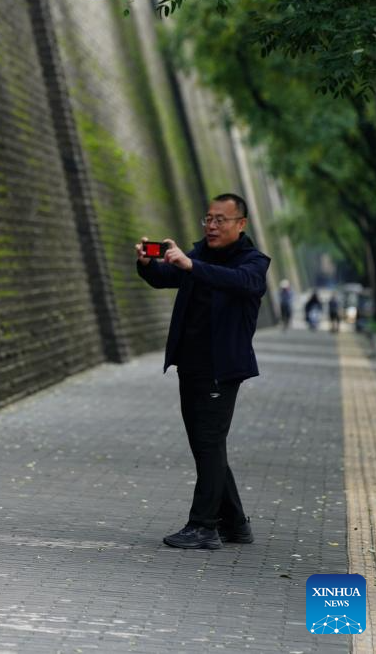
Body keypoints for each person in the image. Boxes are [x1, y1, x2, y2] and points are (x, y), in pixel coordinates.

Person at [135, 193, 270, 550]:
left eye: (219, 220)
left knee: (209, 443)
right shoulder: (199, 254)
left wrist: (191, 266)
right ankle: (236, 525)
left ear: (240, 224)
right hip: (191, 364)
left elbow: (238, 282)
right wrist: (148, 264)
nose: (211, 226)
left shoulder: (253, 262)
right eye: (207, 219)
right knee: (206, 445)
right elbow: (166, 277)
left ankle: (204, 526)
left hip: (220, 367)